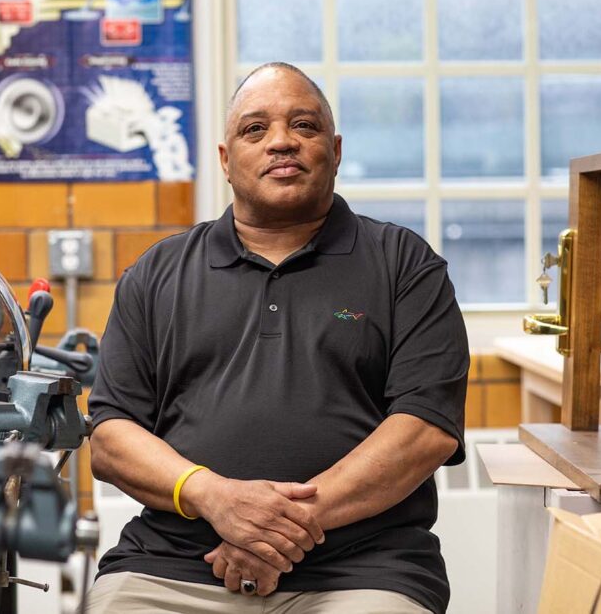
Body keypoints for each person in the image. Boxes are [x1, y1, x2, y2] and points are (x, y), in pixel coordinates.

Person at [85, 62, 469, 614]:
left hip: (364, 572)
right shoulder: (157, 273)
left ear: (335, 149)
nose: (282, 142)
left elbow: (425, 430)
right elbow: (112, 438)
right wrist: (217, 499)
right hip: (171, 570)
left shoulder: (405, 265)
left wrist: (274, 530)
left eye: (305, 126)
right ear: (225, 159)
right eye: (255, 129)